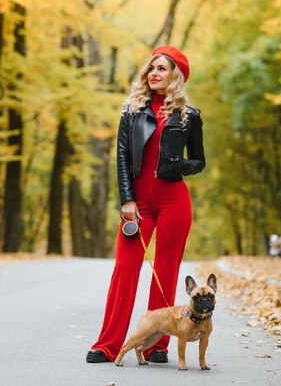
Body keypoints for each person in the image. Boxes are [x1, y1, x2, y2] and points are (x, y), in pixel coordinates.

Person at [86, 45, 205, 364]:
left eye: (162, 68)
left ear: (175, 75)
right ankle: (108, 344)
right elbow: (122, 158)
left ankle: (157, 345)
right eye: (152, 68)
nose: (154, 73)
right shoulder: (132, 111)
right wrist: (127, 199)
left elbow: (199, 161)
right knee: (125, 269)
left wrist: (175, 165)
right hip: (137, 204)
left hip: (173, 201)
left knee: (165, 272)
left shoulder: (189, 116)